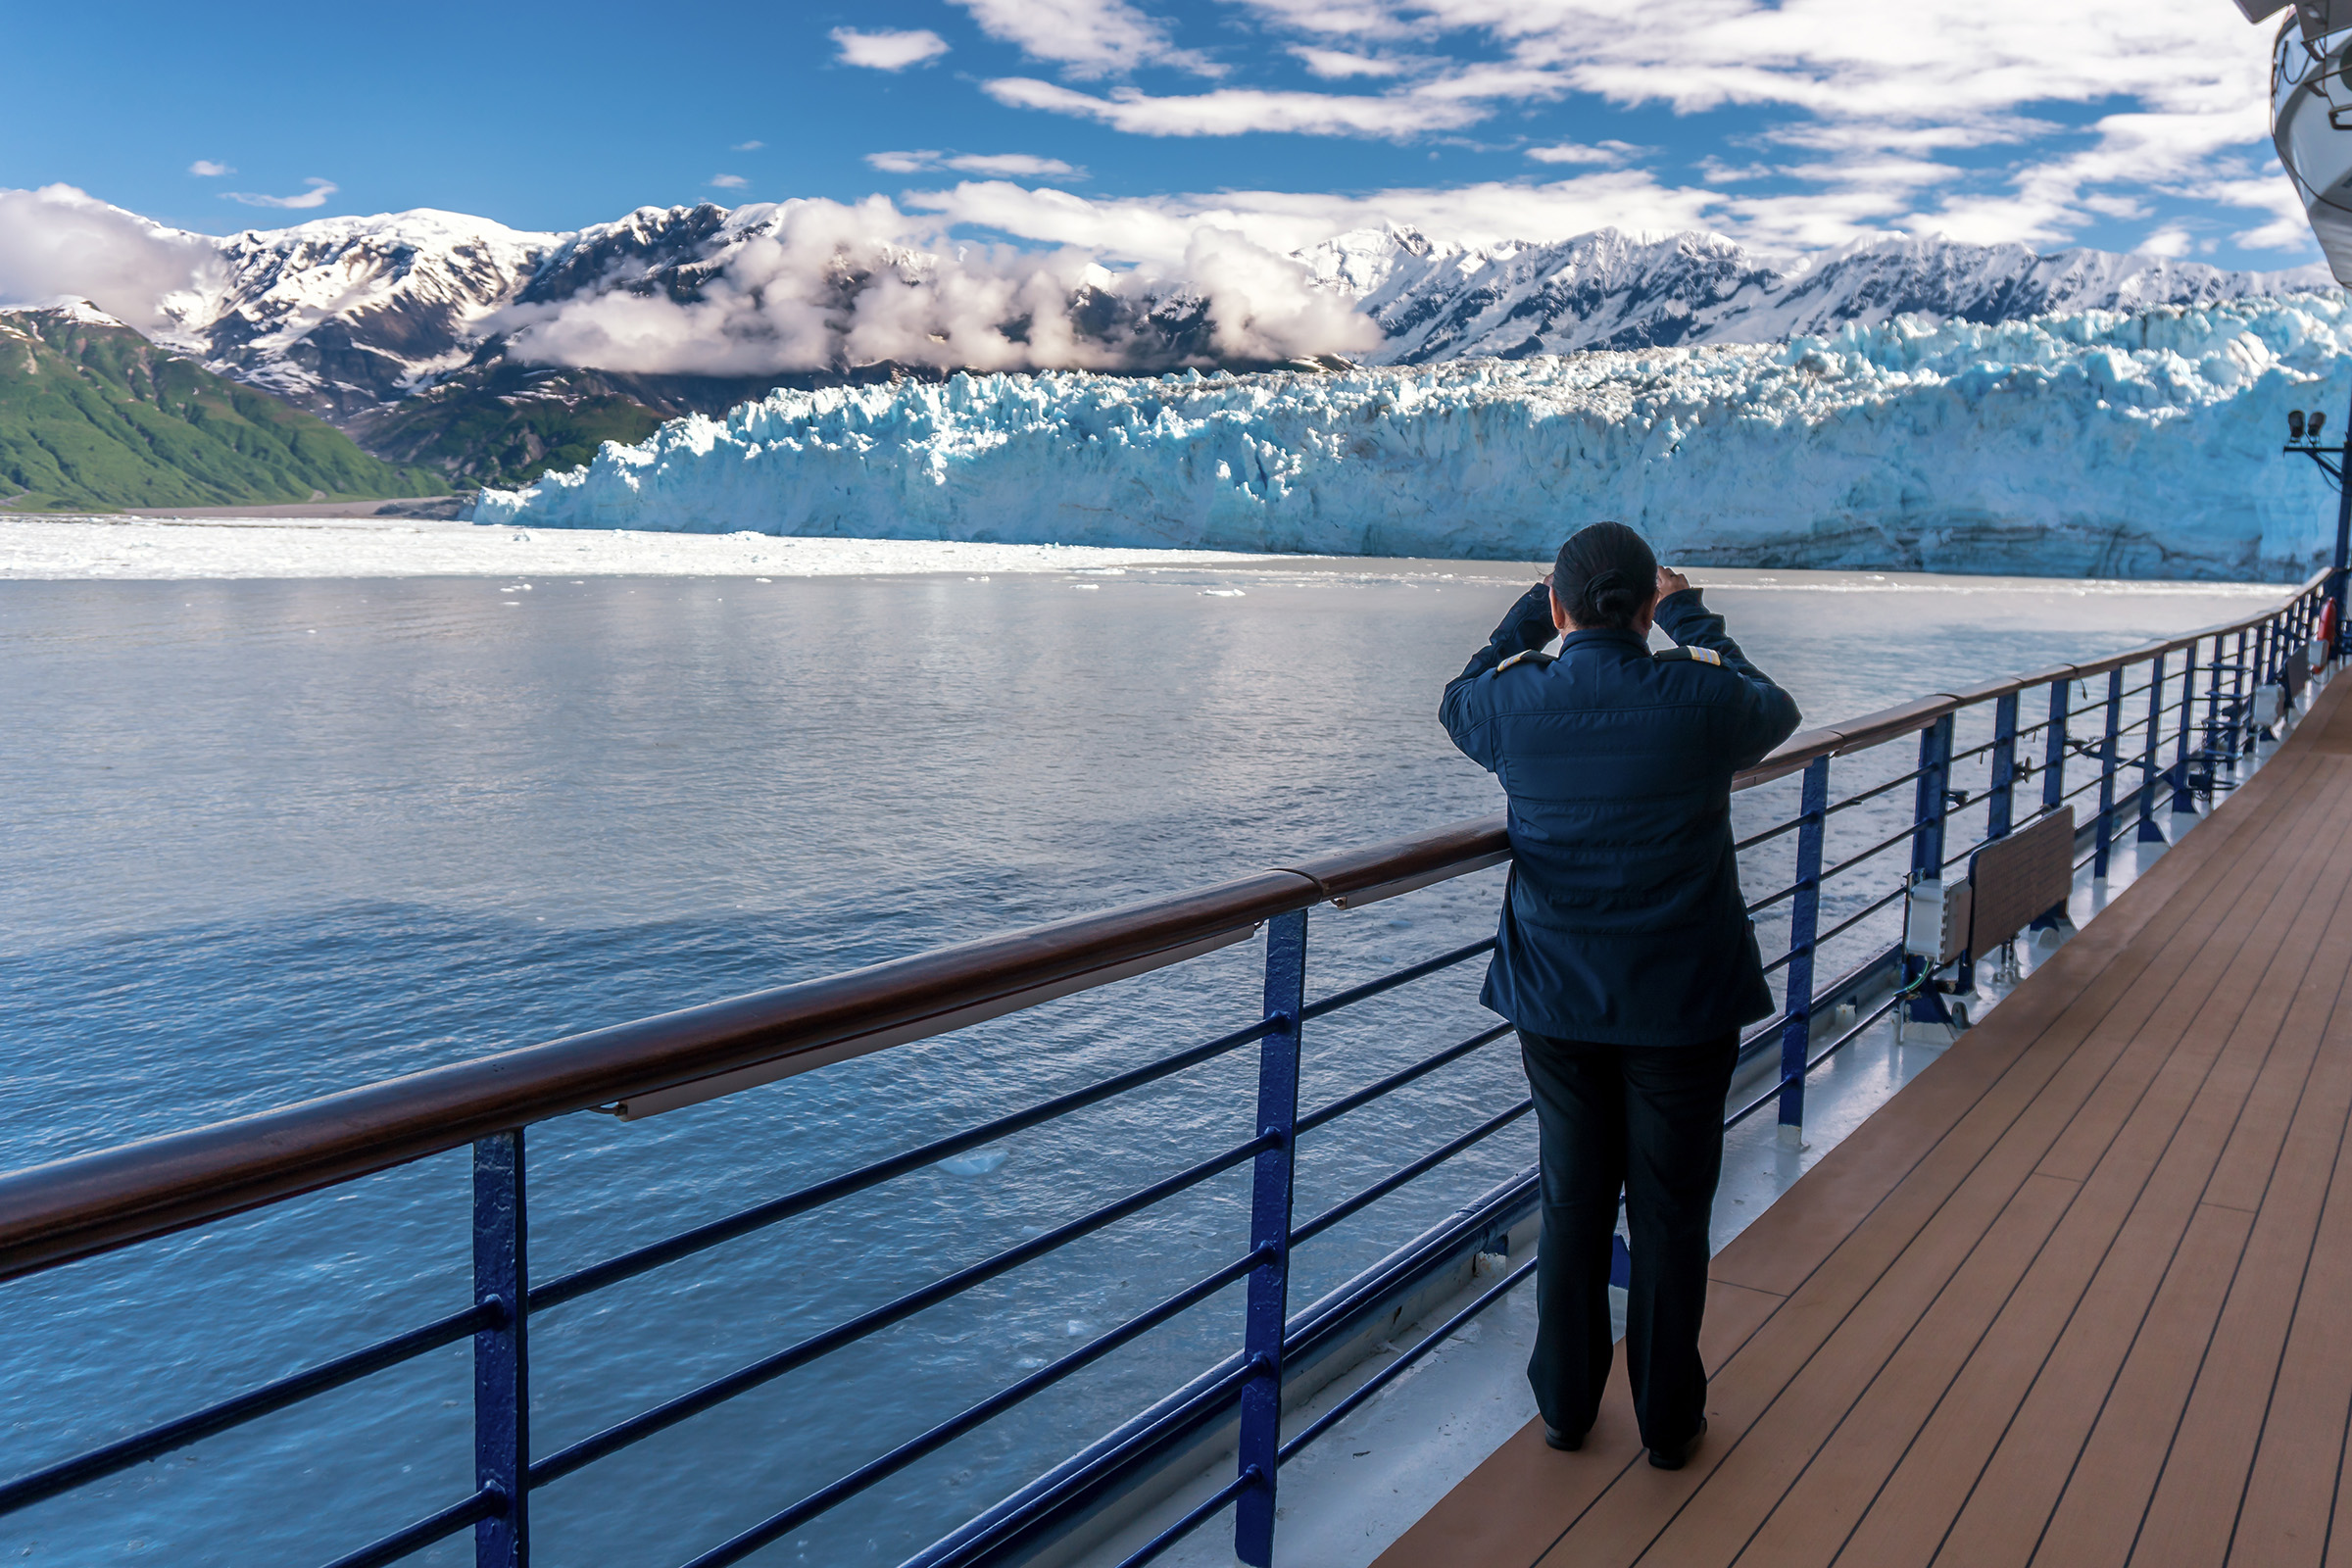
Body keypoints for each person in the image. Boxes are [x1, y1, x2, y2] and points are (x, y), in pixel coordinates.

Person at [1438, 521, 1799, 1470]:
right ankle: (1669, 1421)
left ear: (1561, 610)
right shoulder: (1701, 696)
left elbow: (1456, 697)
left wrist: (1529, 615)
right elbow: (1775, 703)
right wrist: (1690, 614)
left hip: (1557, 1000)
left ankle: (1564, 1406)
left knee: (1573, 1197)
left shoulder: (1513, 706)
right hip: (1683, 1001)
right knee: (1673, 1210)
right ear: (1647, 607)